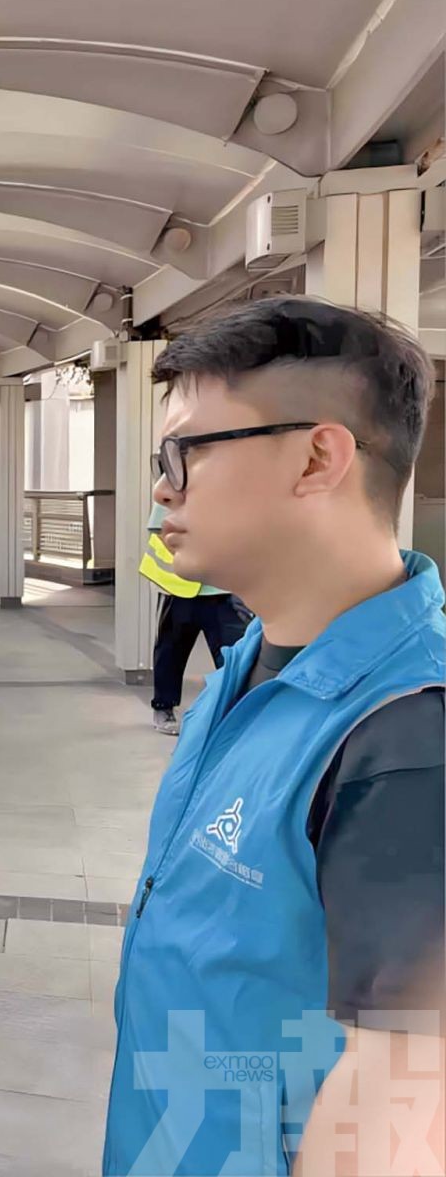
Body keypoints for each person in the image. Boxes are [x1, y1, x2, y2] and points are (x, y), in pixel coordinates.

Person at [103, 298, 444, 1176]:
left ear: (318, 457)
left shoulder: (407, 736)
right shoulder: (255, 663)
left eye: (186, 453)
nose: (162, 486)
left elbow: (405, 1098)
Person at [141, 503, 252, 734]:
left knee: (235, 654)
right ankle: (163, 706)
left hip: (224, 588)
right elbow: (158, 529)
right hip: (179, 587)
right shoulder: (177, 482)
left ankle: (238, 712)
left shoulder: (234, 483)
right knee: (171, 651)